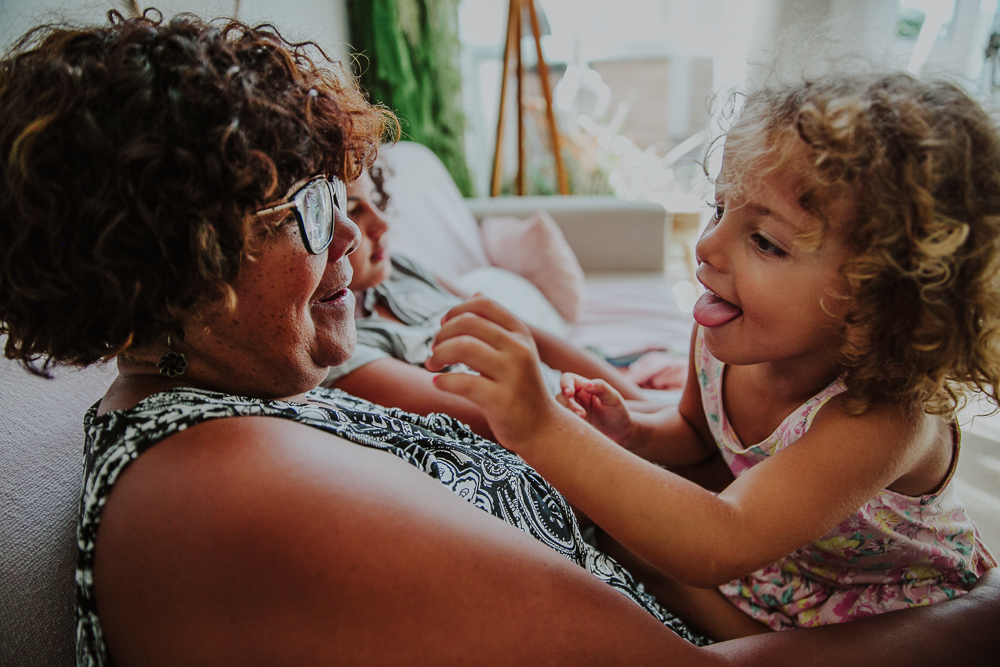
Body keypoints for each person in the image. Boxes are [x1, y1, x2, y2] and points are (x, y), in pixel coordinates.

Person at [0, 12, 998, 665]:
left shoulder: (263, 390)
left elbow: (667, 473)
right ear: (167, 268)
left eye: (346, 194)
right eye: (306, 212)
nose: (355, 240)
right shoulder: (226, 487)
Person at [427, 72, 1000, 640]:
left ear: (881, 302)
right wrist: (635, 433)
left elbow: (722, 539)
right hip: (784, 575)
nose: (707, 245)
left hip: (894, 618)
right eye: (719, 208)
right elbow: (696, 435)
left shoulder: (885, 416)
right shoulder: (725, 338)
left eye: (765, 242)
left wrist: (540, 427)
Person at [323, 170, 652, 438]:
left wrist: (644, 402)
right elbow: (512, 421)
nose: (382, 223)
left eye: (375, 201)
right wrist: (651, 423)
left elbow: (526, 335)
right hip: (575, 437)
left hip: (598, 409)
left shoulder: (399, 269)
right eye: (353, 211)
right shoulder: (346, 352)